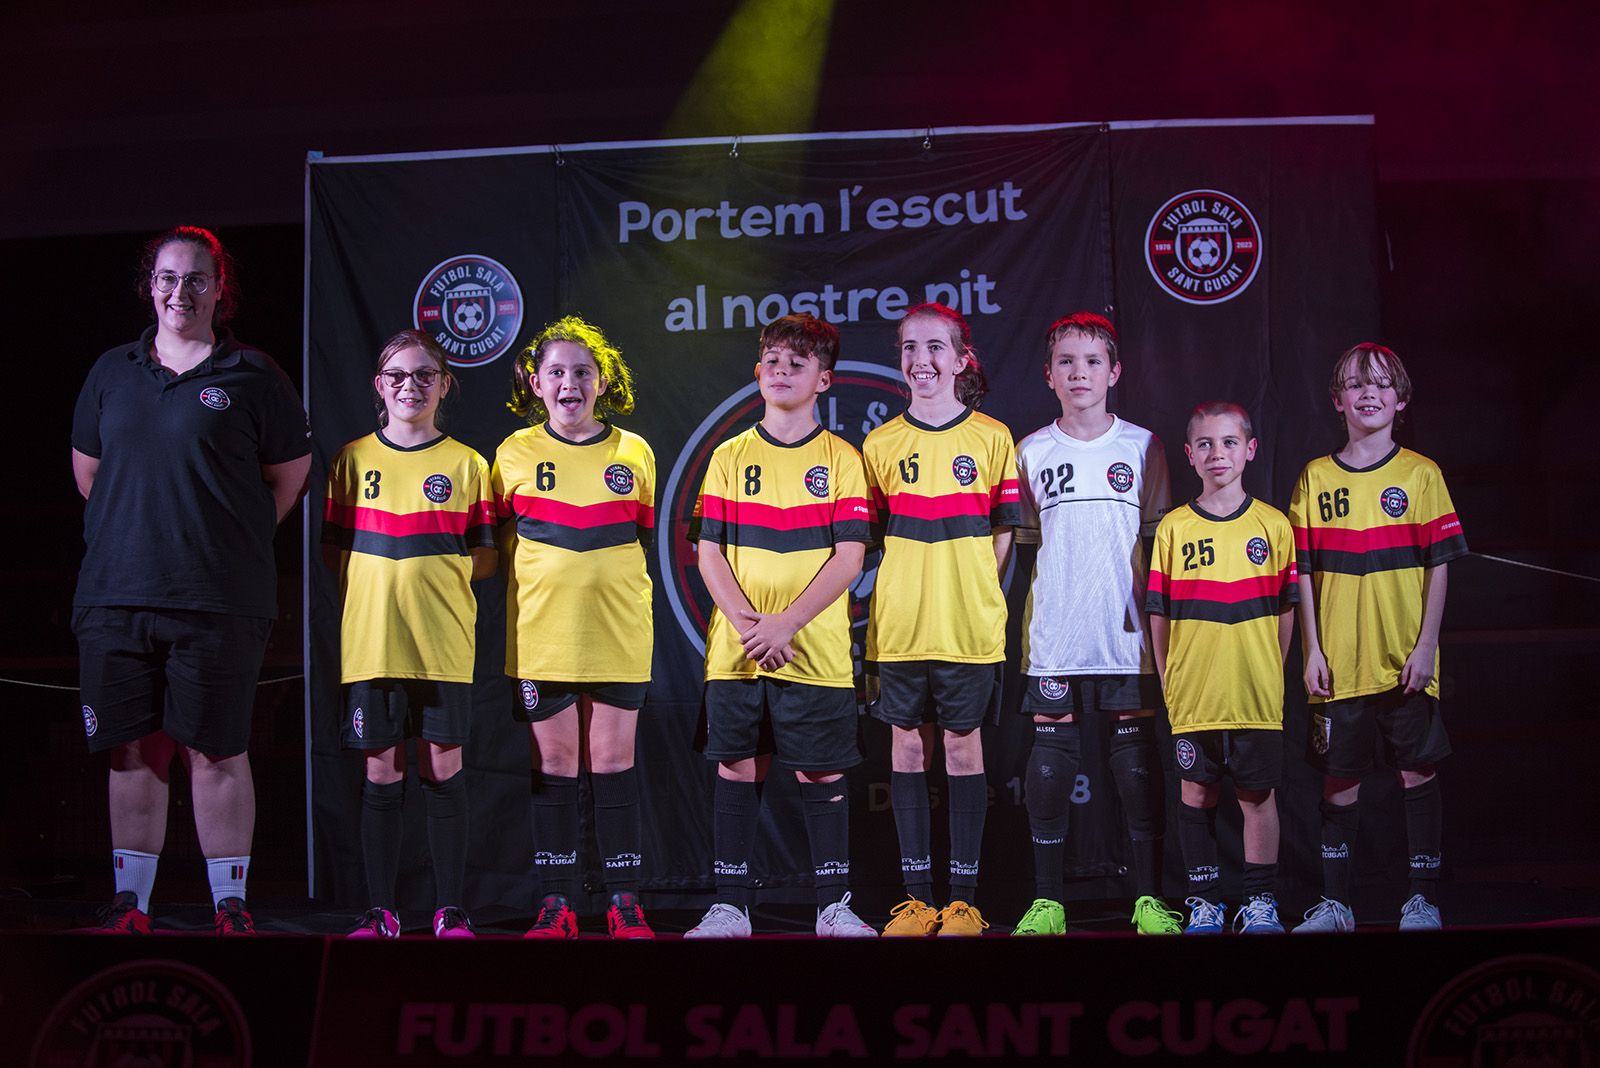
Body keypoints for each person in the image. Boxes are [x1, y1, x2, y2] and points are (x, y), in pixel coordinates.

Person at [70, 226, 311, 935]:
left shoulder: (254, 375)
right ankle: (132, 906)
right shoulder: (111, 371)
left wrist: (224, 540)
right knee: (133, 749)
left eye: (197, 278)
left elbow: (288, 479)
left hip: (219, 601)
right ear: (151, 286)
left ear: (219, 288)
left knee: (217, 749)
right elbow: (90, 475)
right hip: (116, 596)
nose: (182, 291)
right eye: (169, 278)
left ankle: (229, 906)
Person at [685, 313, 876, 938]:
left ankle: (833, 907)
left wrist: (786, 625)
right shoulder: (728, 456)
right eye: (772, 360)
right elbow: (708, 552)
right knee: (738, 766)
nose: (782, 370)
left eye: (798, 362)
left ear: (824, 379)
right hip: (738, 653)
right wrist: (754, 629)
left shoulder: (842, 458)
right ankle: (731, 908)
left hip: (813, 651)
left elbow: (849, 558)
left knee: (821, 772)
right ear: (757, 372)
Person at [1009, 312, 1179, 936]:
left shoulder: (1143, 446)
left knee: (1135, 762)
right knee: (1050, 758)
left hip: (1126, 634)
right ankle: (1047, 902)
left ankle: (1149, 899)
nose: (1079, 373)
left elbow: (1160, 544)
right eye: (1066, 362)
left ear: (1114, 372)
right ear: (1049, 375)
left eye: (1092, 362)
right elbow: (1026, 546)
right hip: (1056, 631)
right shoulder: (1031, 450)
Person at [322, 329, 496, 938]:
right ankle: (381, 912)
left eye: (424, 375)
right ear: (379, 385)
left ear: (444, 384)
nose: (410, 386)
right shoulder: (351, 459)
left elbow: (485, 557)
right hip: (372, 645)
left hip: (442, 645)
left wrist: (431, 586)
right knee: (381, 776)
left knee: (444, 773)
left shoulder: (469, 464)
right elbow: (334, 552)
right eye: (397, 375)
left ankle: (450, 911)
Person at [1289, 343, 1465, 932]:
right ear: (1337, 400)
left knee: (1417, 771)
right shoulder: (1315, 477)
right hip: (1338, 662)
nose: (1370, 393)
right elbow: (1303, 574)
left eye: (1383, 384)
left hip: (1404, 658)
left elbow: (1440, 565)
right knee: (1340, 778)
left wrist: (1426, 646)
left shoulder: (1421, 474)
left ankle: (1422, 899)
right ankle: (1337, 904)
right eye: (1357, 384)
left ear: (1401, 400)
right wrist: (1313, 649)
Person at [493, 316, 657, 939]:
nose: (570, 383)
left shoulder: (634, 452)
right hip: (542, 638)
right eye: (557, 372)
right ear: (536, 383)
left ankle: (624, 903)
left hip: (618, 635)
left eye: (583, 372)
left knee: (613, 763)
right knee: (556, 765)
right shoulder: (512, 453)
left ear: (602, 382)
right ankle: (556, 904)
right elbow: (499, 545)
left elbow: (639, 538)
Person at [866, 303, 1019, 938]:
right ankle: (916, 901)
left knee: (961, 747)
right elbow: (872, 538)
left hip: (968, 626)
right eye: (909, 347)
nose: (921, 359)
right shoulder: (879, 444)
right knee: (906, 748)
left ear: (961, 360)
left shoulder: (993, 437)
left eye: (935, 347)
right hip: (901, 624)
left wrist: (971, 584)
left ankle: (962, 903)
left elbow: (1004, 532)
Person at [1147, 401, 1298, 934]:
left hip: (1256, 693)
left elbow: (1285, 612)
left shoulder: (1273, 526)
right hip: (1194, 693)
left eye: (1229, 442)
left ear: (1250, 450)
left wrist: (1271, 670)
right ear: (1189, 455)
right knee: (1196, 794)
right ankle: (1205, 903)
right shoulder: (1174, 528)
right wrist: (1168, 679)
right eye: (1206, 444)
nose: (1218, 453)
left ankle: (1260, 903)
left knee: (1258, 797)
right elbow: (1159, 615)